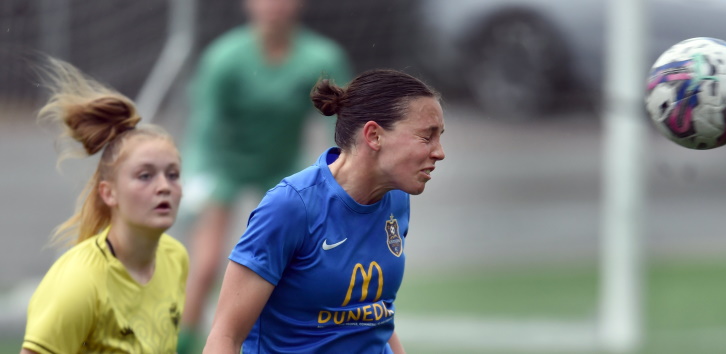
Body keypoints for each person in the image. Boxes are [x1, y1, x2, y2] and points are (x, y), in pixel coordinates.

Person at [203, 69, 445, 353]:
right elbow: (225, 337)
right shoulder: (291, 207)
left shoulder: (396, 198)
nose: (440, 152)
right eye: (427, 137)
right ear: (374, 135)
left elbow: (375, 317)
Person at [178, 0, 351, 349]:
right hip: (224, 166)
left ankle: (287, 341)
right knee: (208, 262)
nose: (275, 5)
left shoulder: (322, 57)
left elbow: (344, 124)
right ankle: (181, 343)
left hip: (283, 168)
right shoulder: (224, 57)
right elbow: (204, 128)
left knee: (291, 267)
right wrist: (196, 179)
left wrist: (343, 177)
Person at [20, 58, 188, 353]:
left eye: (172, 174)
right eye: (145, 175)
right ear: (108, 193)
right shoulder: (79, 280)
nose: (164, 186)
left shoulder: (176, 260)